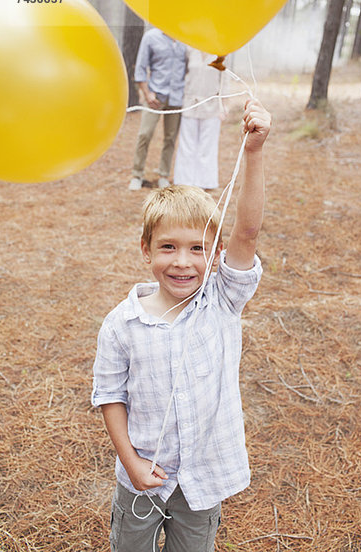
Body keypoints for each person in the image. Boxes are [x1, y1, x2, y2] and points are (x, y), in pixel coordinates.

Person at [92, 99, 271, 552]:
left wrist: (253, 152)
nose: (182, 262)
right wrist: (130, 463)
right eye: (168, 247)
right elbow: (110, 398)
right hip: (142, 479)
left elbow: (246, 233)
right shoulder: (121, 325)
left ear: (215, 255)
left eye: (197, 248)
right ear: (146, 250)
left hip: (201, 479)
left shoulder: (222, 300)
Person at [129, 28, 187, 191]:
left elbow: (189, 68)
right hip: (155, 96)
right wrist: (147, 94)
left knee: (170, 138)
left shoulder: (186, 39)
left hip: (177, 97)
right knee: (144, 134)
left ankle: (163, 175)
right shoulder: (151, 37)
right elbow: (140, 68)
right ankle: (137, 175)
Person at [173, 48, 225, 189]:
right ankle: (184, 181)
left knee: (207, 146)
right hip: (190, 103)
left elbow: (224, 81)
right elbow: (183, 75)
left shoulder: (220, 52)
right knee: (187, 144)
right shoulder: (190, 50)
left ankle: (205, 182)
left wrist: (222, 106)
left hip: (212, 105)